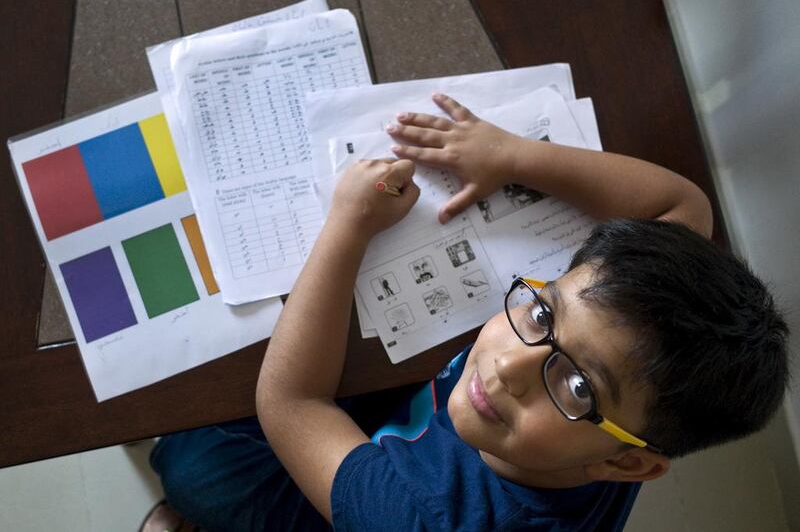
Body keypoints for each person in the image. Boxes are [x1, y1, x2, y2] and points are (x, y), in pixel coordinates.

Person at [145, 94, 789, 531]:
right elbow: (685, 207)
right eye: (542, 312)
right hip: (436, 431)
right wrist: (511, 156)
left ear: (626, 463)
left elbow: (291, 403)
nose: (510, 364)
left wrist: (346, 227)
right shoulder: (632, 399)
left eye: (573, 385)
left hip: (377, 498)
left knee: (194, 467)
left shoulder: (423, 518)